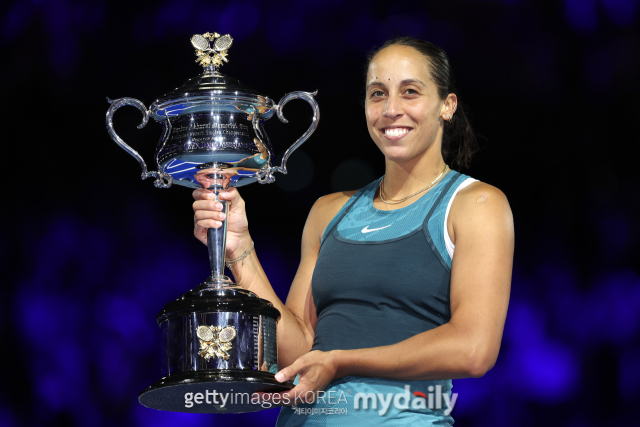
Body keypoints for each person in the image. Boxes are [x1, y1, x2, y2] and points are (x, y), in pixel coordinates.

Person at [192, 37, 514, 426]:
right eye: (377, 94)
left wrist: (341, 361)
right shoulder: (328, 212)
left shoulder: (475, 205)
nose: (391, 109)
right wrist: (239, 250)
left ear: (447, 105)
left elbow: (473, 349)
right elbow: (297, 354)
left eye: (410, 92)